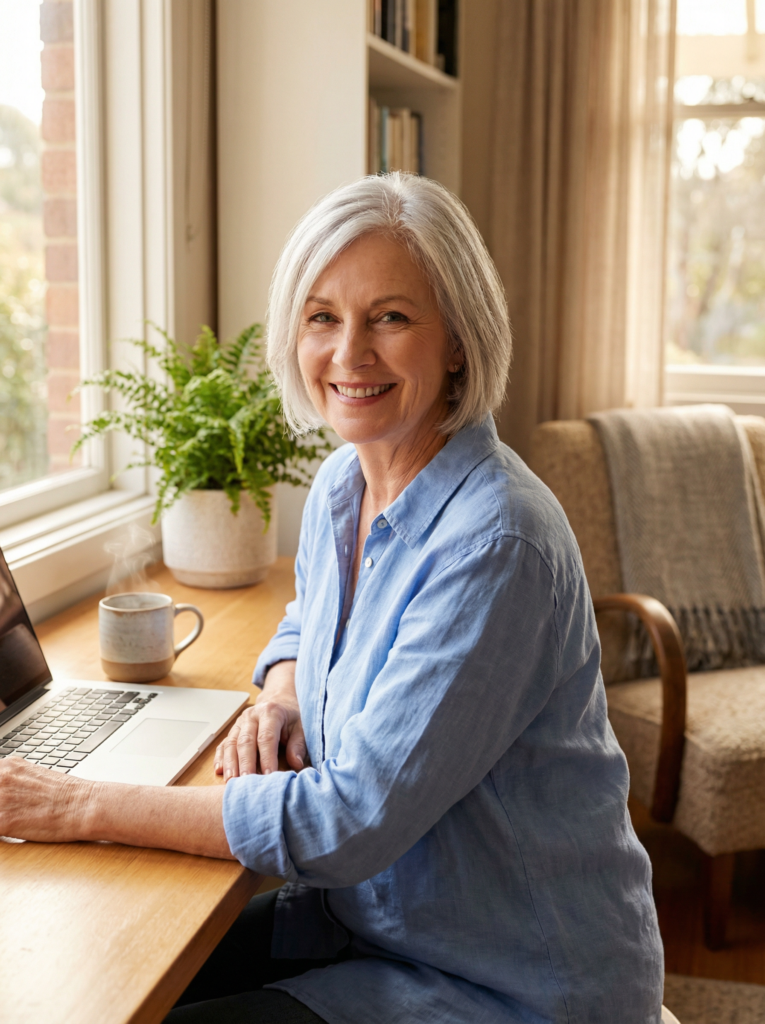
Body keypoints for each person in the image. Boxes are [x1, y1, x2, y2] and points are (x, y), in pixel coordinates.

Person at [0, 173, 664, 1024]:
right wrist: (280, 694)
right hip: (381, 920)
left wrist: (75, 805)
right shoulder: (344, 487)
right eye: (322, 316)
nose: (349, 352)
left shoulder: (496, 544)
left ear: (457, 339)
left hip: (511, 982)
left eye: (389, 317)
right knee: (93, 980)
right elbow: (310, 616)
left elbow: (346, 821)